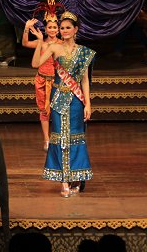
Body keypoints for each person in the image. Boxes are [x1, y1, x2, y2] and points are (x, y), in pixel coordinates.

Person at [29, 10, 94, 197]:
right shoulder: (54, 48)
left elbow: (84, 81)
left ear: (75, 30)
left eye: (67, 28)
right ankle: (64, 181)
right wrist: (40, 42)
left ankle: (76, 178)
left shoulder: (83, 52)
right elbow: (35, 64)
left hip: (76, 101)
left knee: (75, 138)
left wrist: (88, 104)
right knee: (60, 139)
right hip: (58, 99)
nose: (64, 31)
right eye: (62, 28)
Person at [22, 18, 59, 151]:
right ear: (46, 29)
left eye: (55, 27)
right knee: (44, 111)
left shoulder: (62, 44)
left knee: (58, 110)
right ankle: (46, 139)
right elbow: (25, 43)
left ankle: (57, 137)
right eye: (50, 27)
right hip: (42, 80)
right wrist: (27, 27)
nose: (52, 30)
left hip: (56, 82)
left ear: (58, 29)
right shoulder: (41, 43)